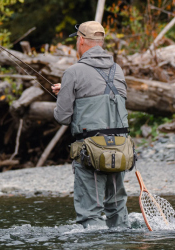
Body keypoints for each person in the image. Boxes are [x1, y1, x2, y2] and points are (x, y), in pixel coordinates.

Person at [52, 21, 130, 228]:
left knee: (90, 214)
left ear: (81, 41)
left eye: (77, 40)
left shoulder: (73, 72)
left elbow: (62, 117)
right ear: (101, 42)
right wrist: (71, 91)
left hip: (90, 152)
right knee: (117, 208)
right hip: (121, 150)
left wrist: (66, 94)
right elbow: (104, 98)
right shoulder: (118, 70)